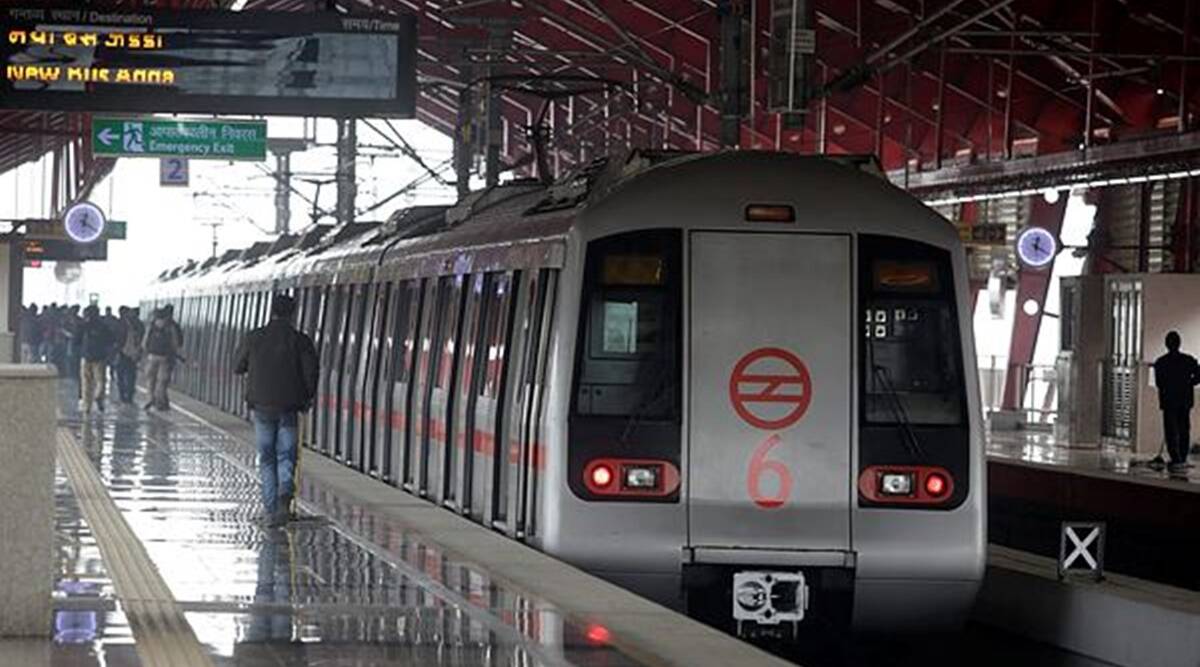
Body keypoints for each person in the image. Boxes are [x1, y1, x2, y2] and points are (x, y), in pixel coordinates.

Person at [234, 295, 318, 527]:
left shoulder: (255, 337)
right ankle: (285, 495)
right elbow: (311, 373)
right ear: (294, 313)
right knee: (287, 454)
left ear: (271, 311)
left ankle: (271, 510)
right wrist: (307, 398)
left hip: (261, 406)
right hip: (290, 407)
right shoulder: (301, 341)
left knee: (267, 456)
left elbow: (237, 366)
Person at [1152, 331, 1200, 473]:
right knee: (1184, 429)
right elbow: (1199, 374)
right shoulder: (1188, 360)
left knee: (1171, 430)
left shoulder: (1161, 363)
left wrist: (1170, 387)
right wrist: (1189, 383)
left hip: (1169, 401)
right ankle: (1182, 458)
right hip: (1184, 400)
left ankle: (1176, 458)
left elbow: (1159, 383)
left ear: (1166, 344)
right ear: (1179, 343)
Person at [79, 305, 116, 414]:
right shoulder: (103, 326)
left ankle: (87, 407)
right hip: (100, 358)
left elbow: (76, 339)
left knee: (86, 382)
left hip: (86, 357)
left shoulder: (83, 326)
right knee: (100, 381)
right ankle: (98, 396)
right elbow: (111, 340)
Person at [143, 306, 182, 410]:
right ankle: (160, 402)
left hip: (152, 356)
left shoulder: (151, 325)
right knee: (162, 381)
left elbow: (145, 341)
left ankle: (150, 398)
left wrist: (146, 352)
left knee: (150, 379)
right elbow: (176, 343)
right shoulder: (171, 326)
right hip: (165, 358)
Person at [115, 307, 144, 404]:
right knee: (131, 375)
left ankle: (123, 395)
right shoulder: (140, 325)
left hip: (122, 352)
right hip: (133, 353)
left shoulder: (121, 324)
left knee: (121, 375)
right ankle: (129, 396)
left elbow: (117, 339)